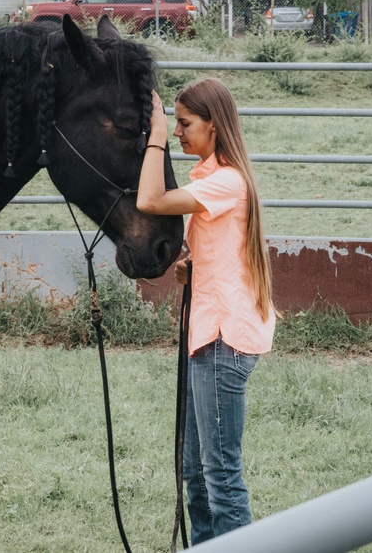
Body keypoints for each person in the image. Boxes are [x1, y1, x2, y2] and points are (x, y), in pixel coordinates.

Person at [136, 77, 275, 544]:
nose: (177, 132)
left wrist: (153, 136)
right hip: (207, 335)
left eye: (184, 123)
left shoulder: (226, 182)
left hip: (222, 340)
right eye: (173, 123)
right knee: (195, 475)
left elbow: (150, 201)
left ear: (213, 126)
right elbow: (224, 253)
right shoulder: (216, 180)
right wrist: (191, 272)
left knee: (220, 477)